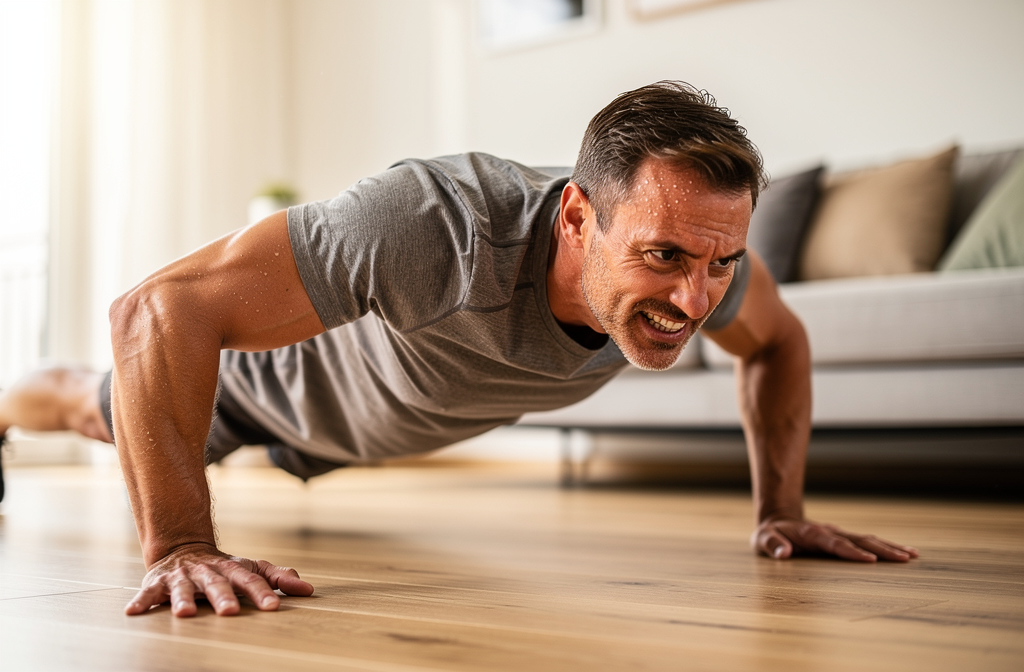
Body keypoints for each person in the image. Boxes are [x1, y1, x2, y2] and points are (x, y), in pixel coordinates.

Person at [0, 81, 918, 618]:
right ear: (575, 217)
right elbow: (151, 313)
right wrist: (181, 547)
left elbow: (779, 344)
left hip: (357, 434)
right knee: (96, 407)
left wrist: (782, 510)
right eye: (664, 257)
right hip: (256, 388)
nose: (694, 299)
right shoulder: (435, 224)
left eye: (719, 262)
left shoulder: (700, 261)